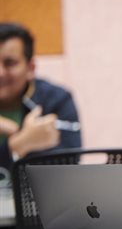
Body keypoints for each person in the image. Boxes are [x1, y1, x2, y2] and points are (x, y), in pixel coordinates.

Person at [0, 23, 81, 170]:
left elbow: (70, 163)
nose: (0, 73)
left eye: (9, 63)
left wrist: (17, 135)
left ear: (31, 68)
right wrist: (19, 143)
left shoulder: (57, 99)